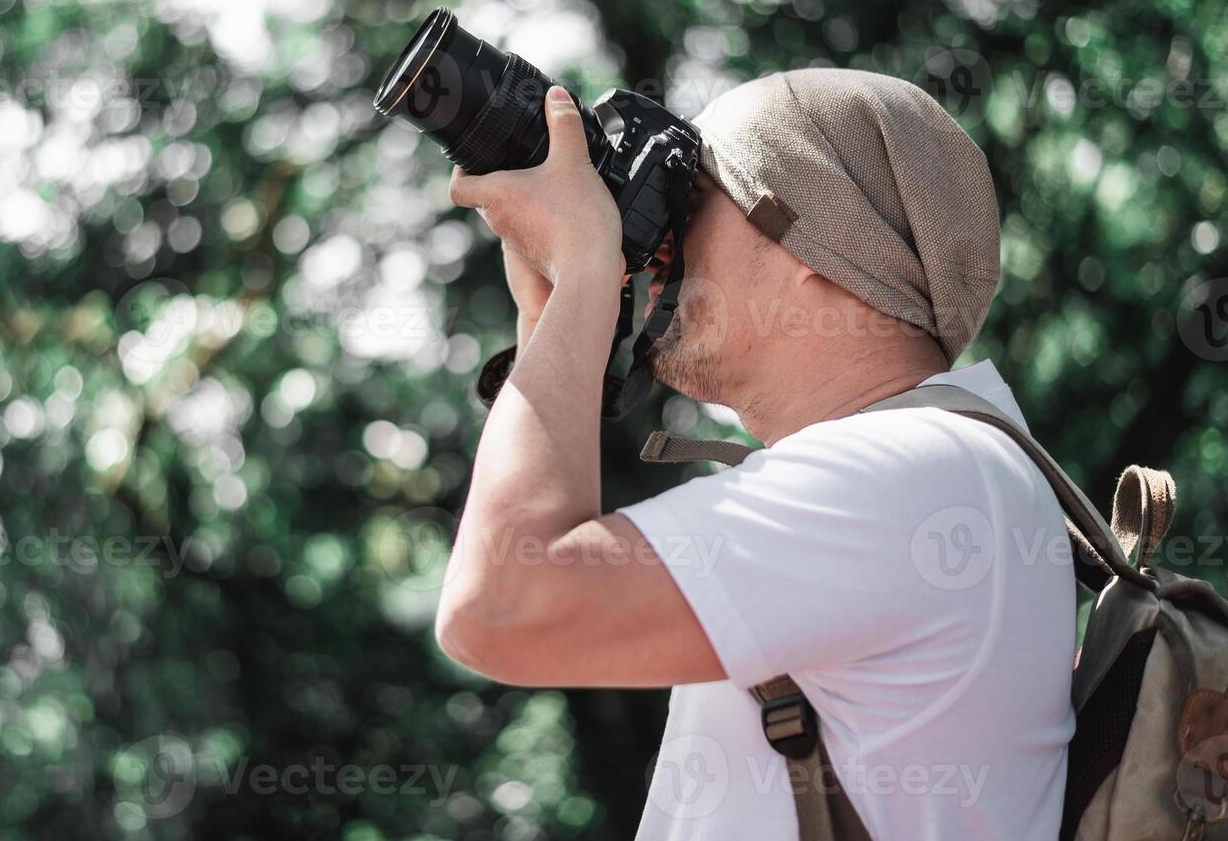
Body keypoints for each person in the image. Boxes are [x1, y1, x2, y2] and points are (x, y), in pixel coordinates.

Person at [435, 71, 1076, 839]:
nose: (654, 243)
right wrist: (558, 310)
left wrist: (581, 276)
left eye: (691, 196)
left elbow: (501, 607)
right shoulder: (938, 470)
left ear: (814, 241)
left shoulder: (919, 471)